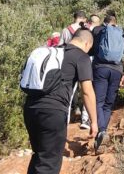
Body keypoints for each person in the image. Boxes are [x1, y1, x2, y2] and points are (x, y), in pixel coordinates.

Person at [23, 29, 98, 174]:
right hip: (53, 112)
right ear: (87, 43)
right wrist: (93, 122)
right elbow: (87, 91)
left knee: (40, 156)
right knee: (49, 163)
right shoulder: (81, 57)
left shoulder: (55, 51)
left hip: (31, 108)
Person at [90, 10, 124, 150]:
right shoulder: (123, 34)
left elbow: (89, 50)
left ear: (105, 21)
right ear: (116, 22)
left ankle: (101, 131)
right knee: (108, 104)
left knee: (98, 101)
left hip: (100, 69)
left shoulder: (97, 30)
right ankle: (103, 132)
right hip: (117, 71)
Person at [78, 14, 102, 130]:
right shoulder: (102, 31)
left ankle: (84, 118)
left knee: (84, 88)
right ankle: (93, 118)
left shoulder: (84, 30)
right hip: (97, 63)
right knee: (91, 89)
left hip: (84, 59)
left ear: (89, 21)